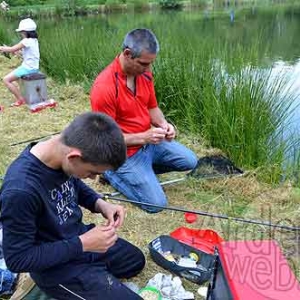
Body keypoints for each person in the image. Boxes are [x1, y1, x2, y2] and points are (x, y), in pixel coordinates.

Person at [0, 112, 145, 300]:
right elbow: (17, 259)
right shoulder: (21, 191)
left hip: (78, 239)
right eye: (92, 172)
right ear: (74, 157)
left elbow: (74, 182)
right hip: (55, 266)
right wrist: (84, 243)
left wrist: (99, 203)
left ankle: (94, 276)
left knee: (135, 261)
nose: (93, 178)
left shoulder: (60, 153)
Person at [90, 28, 198, 213]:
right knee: (156, 204)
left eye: (150, 64)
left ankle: (142, 175)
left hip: (149, 144)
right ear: (127, 54)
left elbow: (152, 108)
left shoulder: (144, 74)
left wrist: (164, 125)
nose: (148, 69)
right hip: (124, 154)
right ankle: (110, 173)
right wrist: (144, 137)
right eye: (143, 64)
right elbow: (107, 139)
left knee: (190, 161)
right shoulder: (104, 87)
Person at [0, 18, 40, 107]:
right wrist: (15, 51)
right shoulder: (34, 40)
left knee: (6, 79)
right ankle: (25, 95)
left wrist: (2, 48)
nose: (21, 34)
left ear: (25, 32)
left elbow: (12, 49)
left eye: (21, 32)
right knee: (16, 78)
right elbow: (23, 52)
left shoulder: (26, 41)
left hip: (28, 68)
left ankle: (20, 100)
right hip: (34, 67)